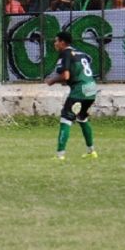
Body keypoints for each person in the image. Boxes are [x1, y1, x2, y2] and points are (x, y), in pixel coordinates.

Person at [45, 31, 98, 161]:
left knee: (66, 119)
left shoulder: (65, 53)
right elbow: (77, 73)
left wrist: (52, 80)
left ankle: (60, 155)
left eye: (57, 41)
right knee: (82, 118)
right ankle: (91, 151)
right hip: (91, 89)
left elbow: (66, 76)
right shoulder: (81, 53)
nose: (55, 43)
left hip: (79, 90)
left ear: (63, 42)